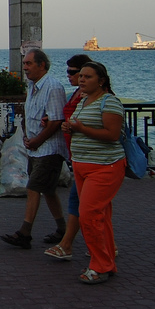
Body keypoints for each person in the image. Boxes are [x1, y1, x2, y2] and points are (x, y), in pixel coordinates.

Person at [62, 61, 126, 284]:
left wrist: (81, 128)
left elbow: (112, 135)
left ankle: (100, 265)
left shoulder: (109, 102)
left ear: (101, 81)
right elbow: (81, 127)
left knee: (88, 214)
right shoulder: (83, 101)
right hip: (82, 166)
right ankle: (107, 261)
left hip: (104, 166)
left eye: (88, 77)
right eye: (81, 76)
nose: (82, 79)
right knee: (100, 216)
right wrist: (69, 127)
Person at [0, 48, 68, 249]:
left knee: (33, 187)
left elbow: (56, 121)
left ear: (42, 65)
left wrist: (37, 140)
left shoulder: (53, 87)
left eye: (29, 63)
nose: (25, 68)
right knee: (48, 190)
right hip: (35, 148)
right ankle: (62, 229)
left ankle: (25, 232)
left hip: (49, 149)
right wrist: (28, 138)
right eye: (24, 64)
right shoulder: (32, 87)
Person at [44, 53, 93, 261]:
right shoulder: (77, 94)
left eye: (75, 73)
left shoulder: (93, 97)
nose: (71, 76)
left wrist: (74, 126)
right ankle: (105, 244)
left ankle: (67, 244)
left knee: (79, 202)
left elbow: (103, 128)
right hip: (77, 155)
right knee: (93, 205)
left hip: (90, 158)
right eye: (71, 73)